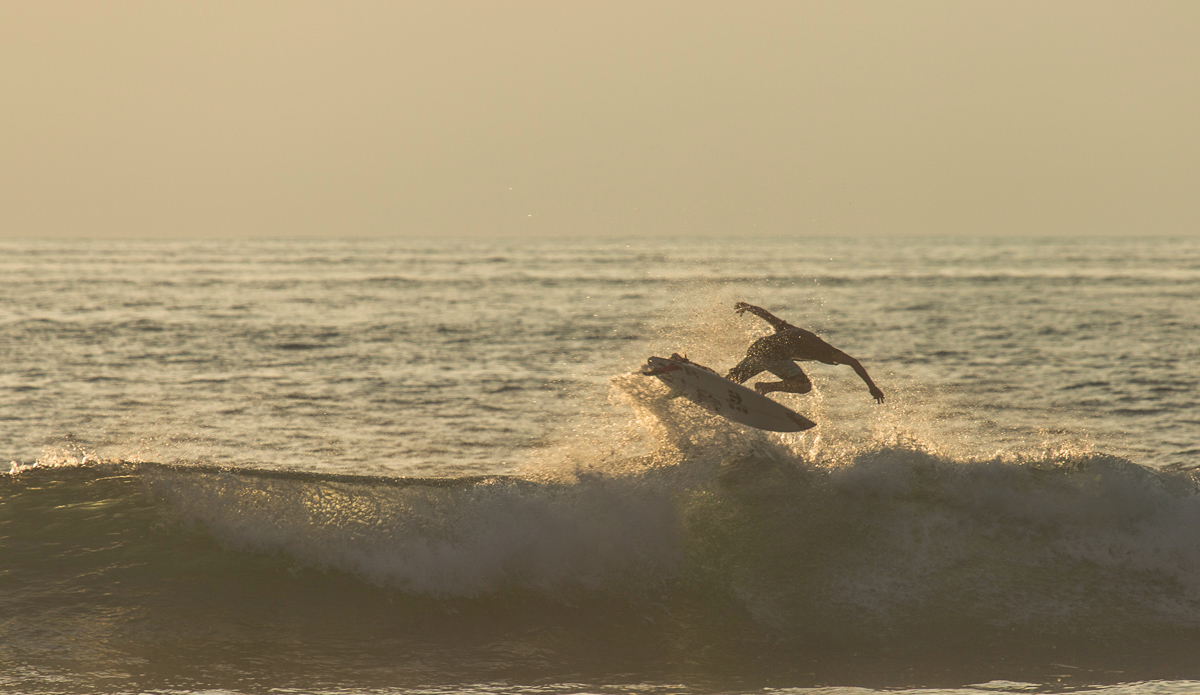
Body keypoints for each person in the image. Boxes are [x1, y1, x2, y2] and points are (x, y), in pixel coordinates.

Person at [726, 302, 885, 403]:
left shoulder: (791, 330)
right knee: (804, 386)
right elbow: (853, 362)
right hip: (773, 354)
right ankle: (765, 387)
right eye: (834, 363)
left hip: (758, 348)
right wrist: (872, 387)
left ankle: (714, 380)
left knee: (732, 380)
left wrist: (750, 307)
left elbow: (769, 317)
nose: (833, 363)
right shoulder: (824, 350)